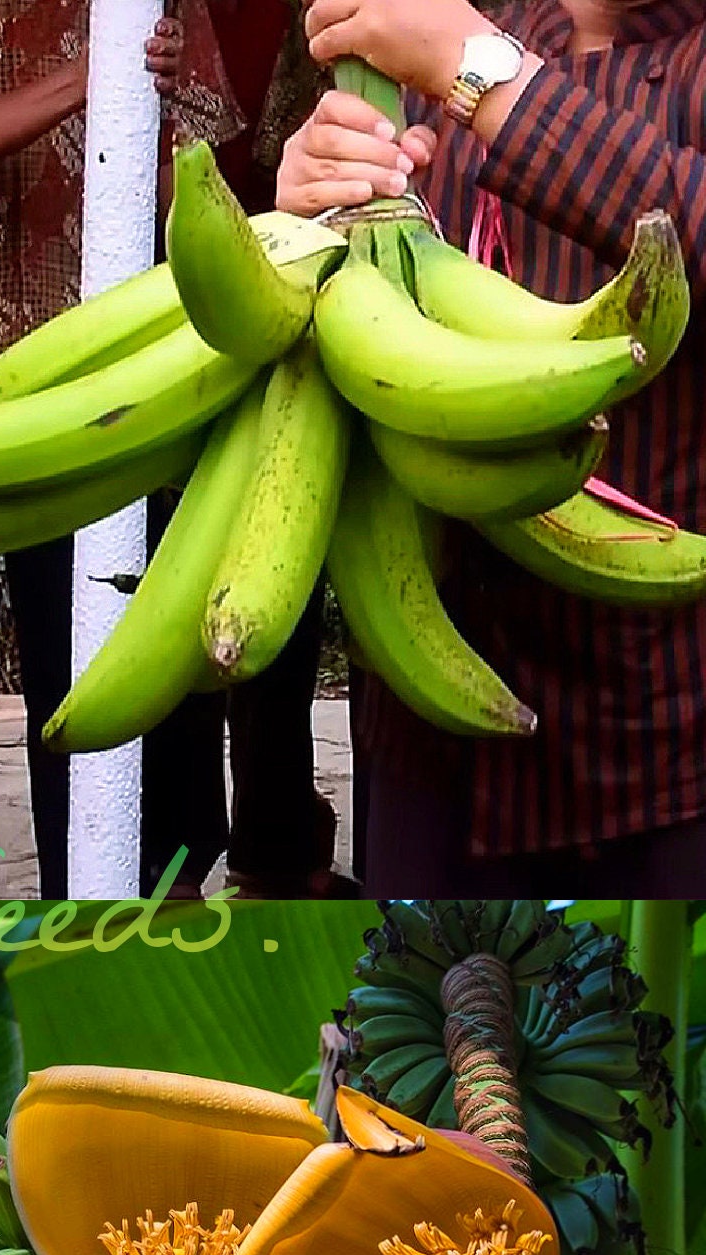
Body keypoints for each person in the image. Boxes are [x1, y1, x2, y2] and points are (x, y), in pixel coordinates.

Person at [276, 0, 704, 892]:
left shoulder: (459, 47)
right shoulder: (439, 37)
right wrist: (311, 209)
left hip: (665, 747)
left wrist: (492, 78)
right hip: (430, 727)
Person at [0, 0, 251, 898]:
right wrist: (89, 76)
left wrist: (147, 102)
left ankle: (111, 918)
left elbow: (195, 178)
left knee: (95, 671)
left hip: (100, 380)